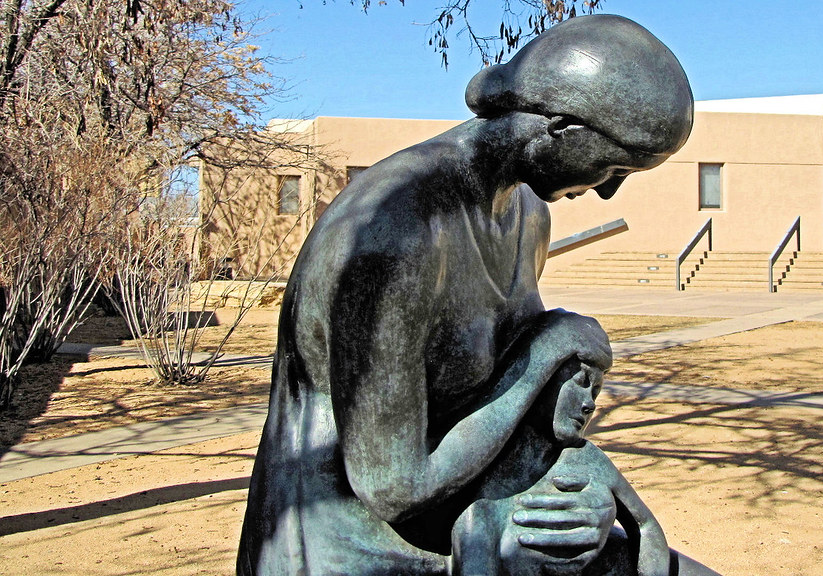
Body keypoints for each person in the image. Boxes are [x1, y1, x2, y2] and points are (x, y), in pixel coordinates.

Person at [237, 14, 708, 576]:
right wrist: (540, 358)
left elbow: (501, 408)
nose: (609, 190)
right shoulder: (398, 230)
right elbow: (394, 487)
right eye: (612, 166)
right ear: (558, 126)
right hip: (352, 545)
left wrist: (575, 486)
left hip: (470, 517)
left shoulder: (528, 214)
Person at [451, 360, 671, 576]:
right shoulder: (483, 479)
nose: (591, 404)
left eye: (595, 392)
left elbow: (645, 526)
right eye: (580, 383)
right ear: (539, 382)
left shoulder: (585, 457)